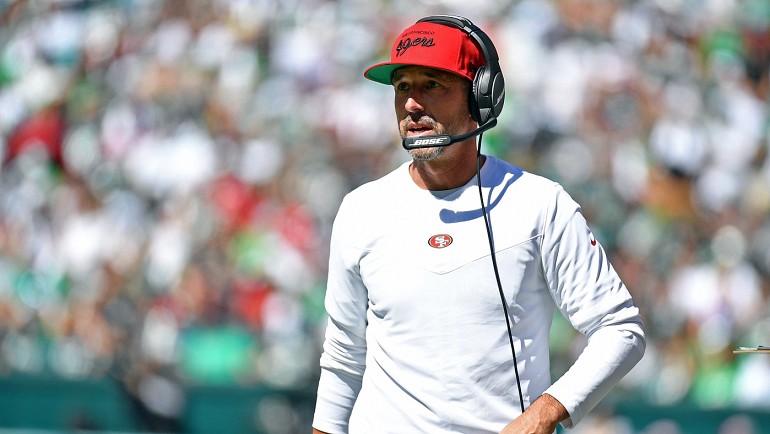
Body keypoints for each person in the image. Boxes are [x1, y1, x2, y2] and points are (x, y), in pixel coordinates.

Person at [312, 15, 645, 434]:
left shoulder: (540, 204)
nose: (412, 103)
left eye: (432, 85)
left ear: (481, 98)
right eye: (403, 87)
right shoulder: (361, 209)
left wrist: (546, 412)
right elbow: (343, 357)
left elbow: (619, 329)